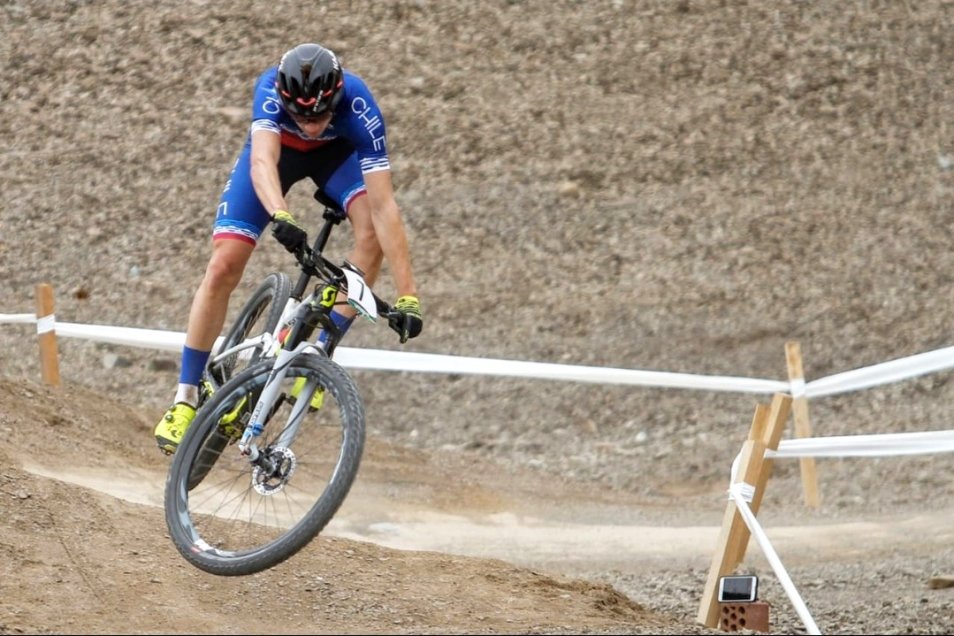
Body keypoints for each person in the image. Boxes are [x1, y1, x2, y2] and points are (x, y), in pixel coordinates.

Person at [154, 42, 423, 454]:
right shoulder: (268, 88)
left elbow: (385, 206)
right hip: (278, 158)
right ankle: (185, 397)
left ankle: (320, 348)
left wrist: (408, 295)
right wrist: (281, 214)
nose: (311, 126)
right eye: (300, 116)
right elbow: (262, 163)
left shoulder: (359, 104)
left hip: (337, 160)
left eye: (320, 115)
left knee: (370, 233)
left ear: (337, 97)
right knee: (224, 264)